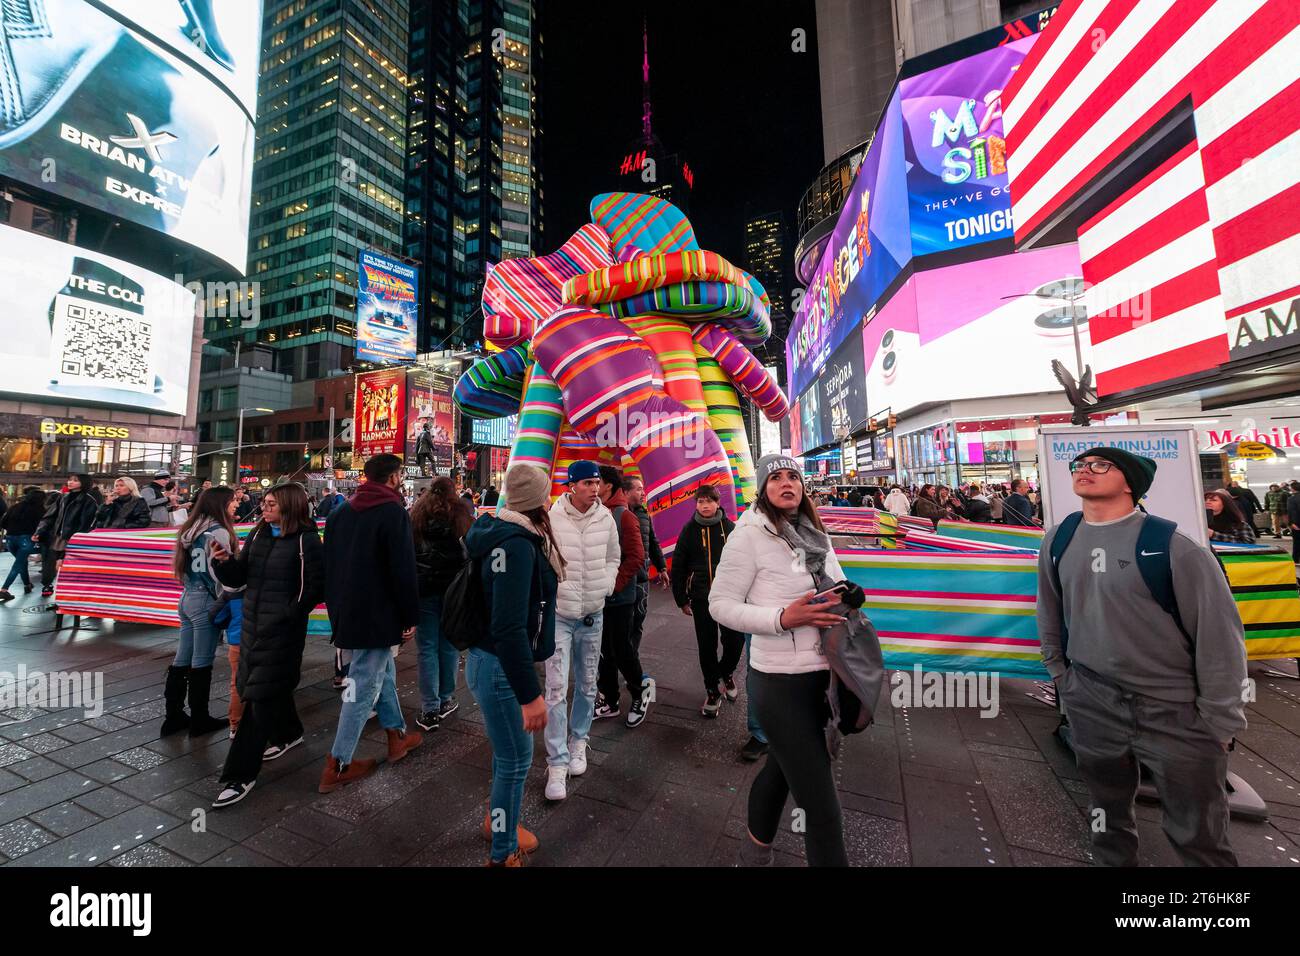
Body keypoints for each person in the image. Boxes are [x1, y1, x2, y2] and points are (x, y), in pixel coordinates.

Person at [1038, 447, 1246, 866]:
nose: (1084, 472)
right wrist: (1062, 675)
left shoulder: (1176, 548)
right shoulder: (1060, 539)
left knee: (1199, 835)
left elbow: (1220, 638)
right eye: (1079, 466)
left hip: (1175, 712)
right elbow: (1050, 609)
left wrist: (1220, 721)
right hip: (1091, 701)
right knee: (1105, 817)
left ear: (1131, 481)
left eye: (1100, 466)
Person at [709, 454, 856, 867]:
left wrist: (845, 594)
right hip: (780, 684)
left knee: (779, 770)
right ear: (762, 488)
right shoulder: (748, 535)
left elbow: (836, 580)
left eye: (793, 476)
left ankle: (754, 853)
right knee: (823, 810)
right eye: (775, 478)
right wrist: (781, 618)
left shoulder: (814, 533)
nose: (786, 483)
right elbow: (719, 604)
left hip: (824, 677)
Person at [465, 464, 562, 866]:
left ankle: (497, 820)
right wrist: (530, 696)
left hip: (488, 661)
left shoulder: (501, 532)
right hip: (502, 668)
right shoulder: (518, 544)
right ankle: (502, 851)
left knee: (508, 757)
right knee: (516, 761)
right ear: (539, 498)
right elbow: (508, 626)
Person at [209, 482, 325, 808]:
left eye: (272, 503)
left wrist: (288, 615)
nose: (264, 507)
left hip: (282, 632)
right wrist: (223, 561)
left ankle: (239, 774)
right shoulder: (259, 534)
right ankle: (289, 732)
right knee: (267, 687)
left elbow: (313, 588)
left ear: (290, 505)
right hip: (251, 627)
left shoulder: (306, 541)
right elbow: (239, 577)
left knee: (258, 697)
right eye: (265, 503)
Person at [321, 454, 423, 793]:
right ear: (394, 477)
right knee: (361, 686)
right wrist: (410, 616)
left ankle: (396, 737)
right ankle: (339, 763)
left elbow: (330, 567)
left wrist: (335, 610)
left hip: (347, 611)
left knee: (383, 672)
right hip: (379, 614)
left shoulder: (340, 513)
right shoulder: (393, 512)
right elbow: (403, 570)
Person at [542, 459, 619, 801]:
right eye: (588, 482)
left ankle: (579, 741)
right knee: (556, 688)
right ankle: (556, 761)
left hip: (593, 614)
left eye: (597, 482)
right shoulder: (552, 518)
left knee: (588, 684)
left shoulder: (606, 518)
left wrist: (607, 583)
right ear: (571, 486)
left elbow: (614, 556)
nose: (595, 488)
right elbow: (543, 559)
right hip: (560, 615)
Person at [164, 486, 238, 738]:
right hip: (206, 599)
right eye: (232, 501)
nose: (235, 505)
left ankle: (173, 715)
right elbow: (219, 572)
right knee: (202, 661)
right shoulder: (218, 532)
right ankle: (199, 718)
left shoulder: (190, 530)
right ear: (220, 505)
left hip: (186, 597)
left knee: (182, 658)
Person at [671, 485, 742, 717]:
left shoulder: (729, 527)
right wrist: (681, 598)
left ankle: (727, 673)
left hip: (730, 596)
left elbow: (744, 561)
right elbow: (679, 566)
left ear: (717, 503)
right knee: (706, 645)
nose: (705, 506)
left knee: (734, 641)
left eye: (709, 501)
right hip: (701, 599)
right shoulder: (689, 529)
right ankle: (712, 690)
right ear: (696, 504)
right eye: (701, 501)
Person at [593, 465, 653, 727]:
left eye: (597, 482)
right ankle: (610, 699)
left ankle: (640, 693)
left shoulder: (624, 516)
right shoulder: (596, 512)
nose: (594, 486)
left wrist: (613, 585)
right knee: (603, 650)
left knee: (622, 649)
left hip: (619, 596)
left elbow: (637, 557)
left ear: (608, 485)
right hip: (598, 596)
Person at [411, 476, 472, 731]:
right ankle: (446, 699)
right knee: (448, 646)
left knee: (426, 648)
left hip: (423, 590)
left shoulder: (415, 516)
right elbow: (469, 552)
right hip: (452, 592)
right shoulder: (461, 515)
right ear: (453, 492)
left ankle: (429, 708)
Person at [32, 474, 97, 596]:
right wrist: (39, 531)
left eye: (75, 480)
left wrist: (76, 539)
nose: (70, 482)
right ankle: (48, 585)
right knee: (48, 563)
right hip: (55, 537)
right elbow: (49, 517)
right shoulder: (63, 497)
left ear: (83, 483)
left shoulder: (89, 501)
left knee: (68, 568)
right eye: (70, 480)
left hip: (72, 539)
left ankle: (67, 594)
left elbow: (85, 525)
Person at [625, 475, 667, 654]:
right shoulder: (615, 514)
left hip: (642, 578)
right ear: (625, 492)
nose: (643, 493)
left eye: (643, 489)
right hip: (624, 578)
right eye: (639, 489)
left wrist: (662, 568)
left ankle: (632, 660)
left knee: (639, 619)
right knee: (622, 622)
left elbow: (653, 541)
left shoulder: (644, 514)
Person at [0, 487, 46, 601]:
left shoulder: (15, 506)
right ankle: (4, 590)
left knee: (21, 562)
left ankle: (27, 585)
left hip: (10, 538)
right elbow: (43, 527)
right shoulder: (40, 509)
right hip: (26, 539)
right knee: (17, 565)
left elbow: (3, 523)